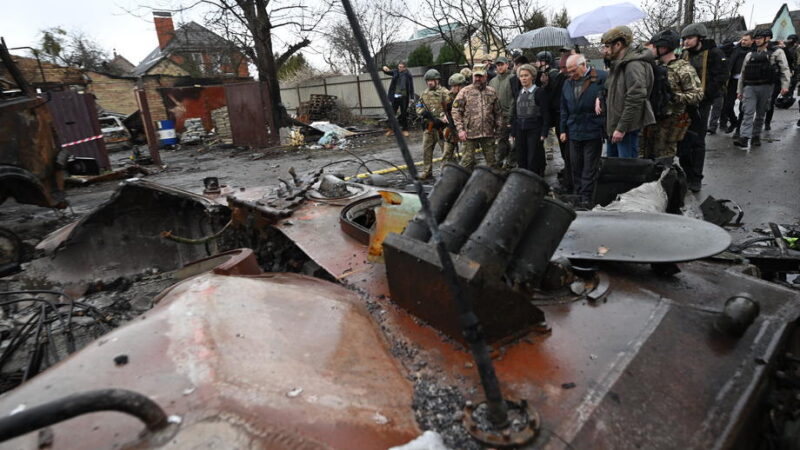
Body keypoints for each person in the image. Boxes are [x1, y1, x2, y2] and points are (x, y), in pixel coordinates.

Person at [640, 30, 704, 161]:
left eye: (654, 46)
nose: (651, 50)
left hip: (671, 123)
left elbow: (697, 94)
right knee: (647, 157)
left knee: (664, 160)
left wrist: (675, 96)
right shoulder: (655, 66)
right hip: (653, 120)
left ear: (663, 48)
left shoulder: (683, 68)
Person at [679, 23, 727, 192]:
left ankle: (696, 178)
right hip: (685, 102)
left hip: (702, 103)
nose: (686, 41)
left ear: (699, 38)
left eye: (689, 38)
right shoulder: (684, 54)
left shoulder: (714, 53)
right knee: (683, 139)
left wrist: (704, 95)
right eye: (684, 38)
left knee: (698, 140)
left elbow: (721, 77)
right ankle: (686, 172)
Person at [598, 25, 655, 158]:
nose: (604, 50)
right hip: (615, 126)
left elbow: (635, 98)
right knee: (614, 166)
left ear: (618, 45)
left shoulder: (633, 65)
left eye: (607, 46)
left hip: (625, 129)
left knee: (627, 167)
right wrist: (599, 97)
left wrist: (621, 128)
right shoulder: (618, 64)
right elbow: (610, 89)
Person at [559, 54, 607, 204]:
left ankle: (586, 197)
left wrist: (601, 98)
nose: (571, 74)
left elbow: (610, 98)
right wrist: (562, 129)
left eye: (573, 70)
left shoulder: (601, 77)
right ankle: (578, 194)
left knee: (589, 167)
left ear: (583, 65)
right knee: (575, 165)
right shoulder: (567, 83)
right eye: (569, 72)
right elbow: (564, 108)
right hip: (574, 130)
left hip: (593, 129)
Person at [734, 28, 792, 148]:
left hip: (767, 87)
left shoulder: (777, 52)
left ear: (768, 38)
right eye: (756, 38)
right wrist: (739, 90)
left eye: (759, 38)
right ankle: (744, 137)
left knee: (761, 113)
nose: (757, 40)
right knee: (748, 112)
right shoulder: (750, 54)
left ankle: (756, 136)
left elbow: (784, 69)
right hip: (750, 87)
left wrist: (785, 86)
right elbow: (743, 73)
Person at [452, 64, 504, 170]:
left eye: (480, 76)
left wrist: (498, 130)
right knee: (466, 162)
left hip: (488, 132)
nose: (477, 79)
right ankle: (463, 180)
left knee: (492, 163)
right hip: (469, 133)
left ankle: (491, 180)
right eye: (476, 76)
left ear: (485, 76)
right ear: (472, 76)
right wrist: (460, 130)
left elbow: (498, 112)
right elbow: (456, 111)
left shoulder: (491, 92)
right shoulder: (465, 91)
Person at [510, 64, 549, 175]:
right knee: (521, 157)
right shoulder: (518, 93)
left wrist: (544, 132)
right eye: (521, 76)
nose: (523, 78)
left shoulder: (539, 92)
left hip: (535, 129)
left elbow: (546, 114)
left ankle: (535, 178)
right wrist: (513, 131)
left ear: (532, 76)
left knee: (533, 157)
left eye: (526, 75)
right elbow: (515, 113)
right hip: (520, 129)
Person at [415, 69, 450, 179]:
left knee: (446, 151)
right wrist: (423, 113)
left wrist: (443, 118)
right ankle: (427, 171)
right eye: (428, 81)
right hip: (429, 127)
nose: (429, 82)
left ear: (437, 80)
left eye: (432, 80)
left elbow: (450, 107)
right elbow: (418, 107)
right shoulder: (424, 94)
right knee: (426, 149)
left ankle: (447, 172)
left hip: (441, 127)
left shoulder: (444, 92)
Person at [488, 56, 516, 169]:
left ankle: (511, 161)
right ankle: (501, 160)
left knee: (516, 140)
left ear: (507, 65)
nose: (499, 67)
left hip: (512, 115)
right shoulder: (493, 81)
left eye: (501, 65)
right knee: (501, 140)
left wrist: (511, 115)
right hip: (499, 116)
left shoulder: (513, 78)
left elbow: (515, 97)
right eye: (498, 65)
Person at [725, 32, 755, 137]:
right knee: (727, 106)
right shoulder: (735, 49)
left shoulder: (754, 51)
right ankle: (734, 122)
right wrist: (734, 43)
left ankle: (738, 130)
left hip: (746, 83)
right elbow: (722, 48)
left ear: (752, 41)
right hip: (733, 81)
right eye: (742, 39)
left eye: (746, 40)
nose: (743, 41)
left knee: (743, 108)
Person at [382, 62, 414, 137]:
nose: (400, 68)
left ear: (405, 68)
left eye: (401, 67)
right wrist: (384, 68)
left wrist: (412, 97)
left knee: (404, 114)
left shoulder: (408, 75)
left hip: (404, 97)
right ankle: (391, 129)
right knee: (392, 113)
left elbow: (411, 87)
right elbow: (387, 72)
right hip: (395, 97)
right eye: (399, 66)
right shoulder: (395, 72)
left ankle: (405, 130)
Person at [442, 73, 468, 165]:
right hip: (451, 127)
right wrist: (443, 115)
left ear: (460, 86)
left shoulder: (467, 95)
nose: (452, 88)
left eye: (454, 86)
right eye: (451, 86)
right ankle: (445, 171)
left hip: (465, 128)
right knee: (447, 153)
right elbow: (441, 109)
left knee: (467, 154)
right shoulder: (448, 96)